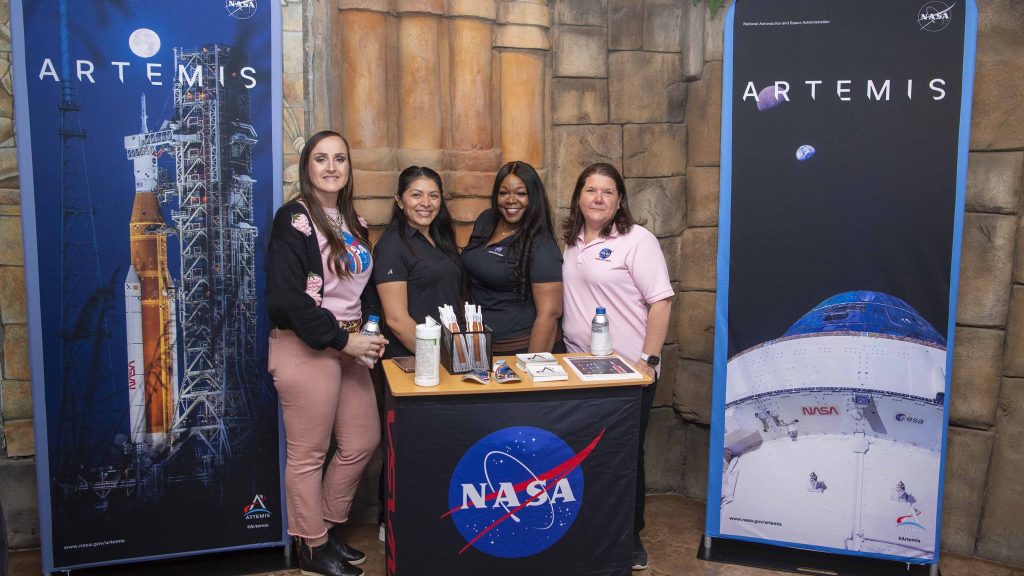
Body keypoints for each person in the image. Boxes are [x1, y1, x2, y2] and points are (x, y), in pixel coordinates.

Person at [267, 130, 387, 576]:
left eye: (340, 158)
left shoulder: (353, 220)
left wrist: (369, 332)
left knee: (361, 442)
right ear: (307, 168)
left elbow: (362, 289)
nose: (332, 166)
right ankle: (312, 548)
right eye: (321, 159)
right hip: (307, 347)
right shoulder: (292, 219)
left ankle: (326, 528)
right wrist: (343, 339)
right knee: (308, 453)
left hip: (350, 349)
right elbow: (285, 298)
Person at [560, 163, 674, 571]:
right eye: (591, 190)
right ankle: (592, 529)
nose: (599, 198)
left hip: (628, 373)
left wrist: (649, 361)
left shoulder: (636, 239)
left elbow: (661, 300)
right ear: (579, 196)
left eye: (608, 192)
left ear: (620, 200)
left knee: (624, 456)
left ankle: (629, 539)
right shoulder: (570, 243)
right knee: (586, 454)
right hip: (579, 368)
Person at [461, 161, 563, 354]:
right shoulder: (487, 220)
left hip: (519, 348)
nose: (511, 200)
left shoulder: (542, 244)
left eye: (521, 193)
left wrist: (533, 367)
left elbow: (550, 314)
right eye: (504, 192)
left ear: (533, 197)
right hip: (480, 346)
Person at [373, 166, 463, 358]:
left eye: (433, 196)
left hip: (449, 352)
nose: (426, 203)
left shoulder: (441, 239)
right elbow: (396, 320)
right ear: (399, 201)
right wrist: (436, 358)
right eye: (416, 195)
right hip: (415, 360)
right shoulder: (391, 246)